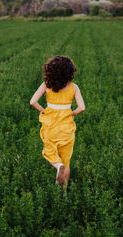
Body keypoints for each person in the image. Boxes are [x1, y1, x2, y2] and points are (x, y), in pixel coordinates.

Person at [30, 56, 85, 189]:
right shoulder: (74, 87)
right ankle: (63, 193)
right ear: (70, 72)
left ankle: (57, 165)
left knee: (49, 152)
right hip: (66, 128)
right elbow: (82, 107)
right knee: (66, 161)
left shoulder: (46, 85)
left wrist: (42, 110)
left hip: (51, 126)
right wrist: (71, 113)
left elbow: (32, 101)